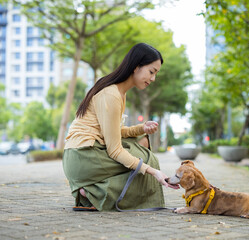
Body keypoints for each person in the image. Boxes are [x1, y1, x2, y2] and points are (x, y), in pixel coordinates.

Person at [63, 43, 179, 211]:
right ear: (136, 67)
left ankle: (92, 194)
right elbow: (115, 150)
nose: (153, 79)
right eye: (151, 72)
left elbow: (112, 132)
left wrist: (141, 128)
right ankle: (96, 192)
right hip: (84, 156)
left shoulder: (118, 92)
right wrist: (153, 172)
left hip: (81, 155)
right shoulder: (112, 94)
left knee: (141, 143)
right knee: (147, 160)